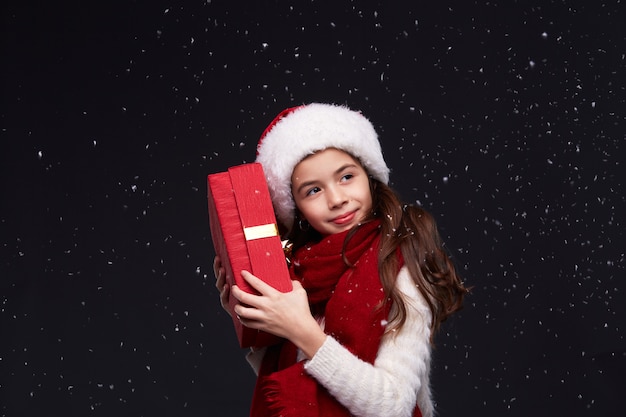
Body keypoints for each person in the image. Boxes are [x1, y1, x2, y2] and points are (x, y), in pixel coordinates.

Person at [213, 102, 468, 417]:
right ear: (297, 209)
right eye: (313, 190)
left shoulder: (401, 265)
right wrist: (256, 322)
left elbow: (392, 405)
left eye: (346, 176)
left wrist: (302, 331)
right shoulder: (303, 272)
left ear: (369, 175)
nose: (336, 199)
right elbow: (303, 387)